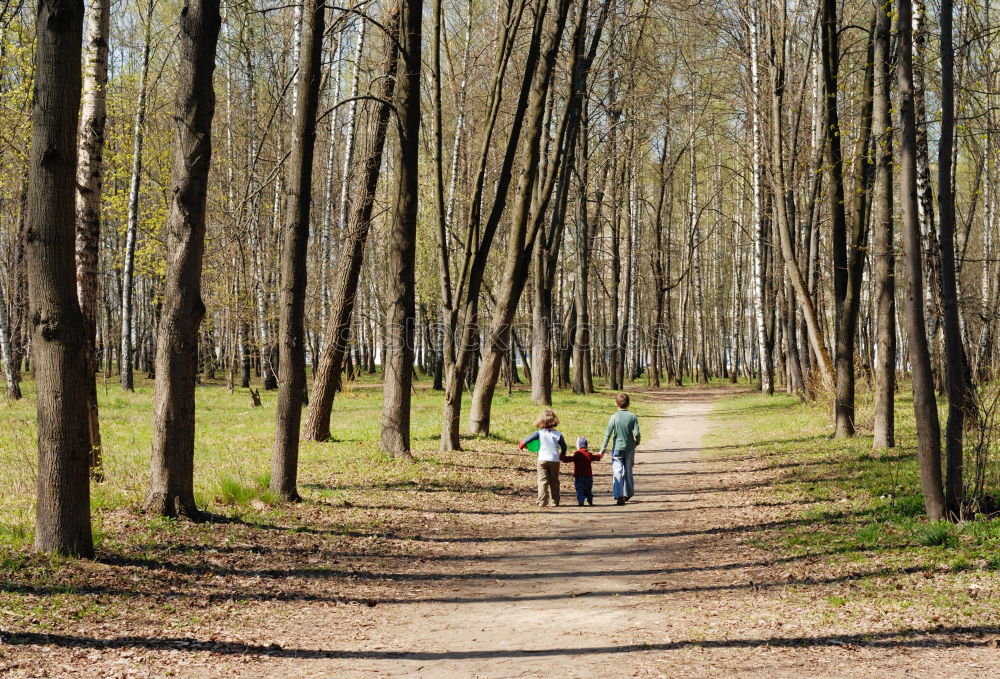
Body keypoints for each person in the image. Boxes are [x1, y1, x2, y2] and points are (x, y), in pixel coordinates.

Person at [598, 393, 641, 505]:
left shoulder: (614, 417)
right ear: (628, 404)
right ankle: (628, 493)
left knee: (617, 471)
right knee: (628, 471)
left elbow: (607, 435)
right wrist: (637, 442)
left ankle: (619, 495)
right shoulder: (632, 417)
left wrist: (602, 450)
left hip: (617, 448)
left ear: (616, 404)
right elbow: (636, 433)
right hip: (630, 448)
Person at [519, 409, 567, 507]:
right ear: (554, 420)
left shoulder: (539, 433)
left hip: (542, 460)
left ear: (541, 421)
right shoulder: (558, 434)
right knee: (554, 481)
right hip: (554, 460)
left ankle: (542, 502)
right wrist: (562, 455)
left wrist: (522, 445)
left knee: (542, 481)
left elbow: (526, 440)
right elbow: (564, 447)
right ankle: (554, 502)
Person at [560, 436, 602, 506]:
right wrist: (599, 455)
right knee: (588, 490)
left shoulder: (577, 454)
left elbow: (567, 459)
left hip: (579, 476)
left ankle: (581, 501)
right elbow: (596, 457)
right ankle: (590, 500)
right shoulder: (589, 454)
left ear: (578, 446)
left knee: (579, 490)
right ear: (586, 446)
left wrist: (561, 456)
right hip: (588, 477)